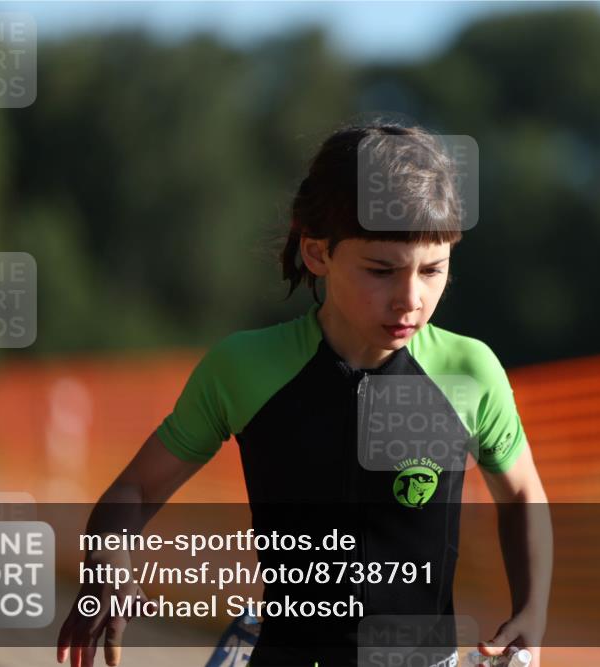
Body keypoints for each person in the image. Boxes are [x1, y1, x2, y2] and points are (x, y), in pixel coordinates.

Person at [56, 120, 551, 667]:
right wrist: (106, 572)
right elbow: (133, 491)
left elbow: (524, 494)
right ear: (318, 254)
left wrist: (531, 612)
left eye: (433, 270)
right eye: (381, 270)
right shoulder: (244, 367)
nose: (410, 297)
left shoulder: (470, 371)